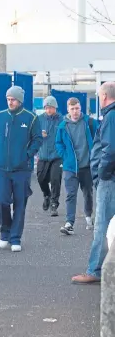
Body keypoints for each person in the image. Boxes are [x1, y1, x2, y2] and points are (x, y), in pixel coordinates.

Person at [0, 86, 42, 252]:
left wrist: (27, 154)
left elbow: (37, 139)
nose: (10, 102)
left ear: (20, 100)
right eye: (8, 99)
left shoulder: (31, 118)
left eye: (13, 99)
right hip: (2, 169)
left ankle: (15, 237)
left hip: (22, 170)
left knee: (20, 204)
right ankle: (5, 232)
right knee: (2, 201)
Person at [72, 82, 115, 283]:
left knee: (102, 225)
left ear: (104, 96)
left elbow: (110, 149)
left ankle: (95, 270)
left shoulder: (111, 116)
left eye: (99, 96)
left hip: (110, 180)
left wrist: (101, 173)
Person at [55, 97, 98, 235]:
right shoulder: (63, 126)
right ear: (68, 109)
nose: (75, 112)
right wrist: (65, 155)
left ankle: (88, 217)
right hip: (70, 167)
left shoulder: (89, 123)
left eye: (77, 108)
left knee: (88, 193)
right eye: (72, 109)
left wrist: (95, 157)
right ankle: (69, 223)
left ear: (81, 108)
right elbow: (58, 143)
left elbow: (98, 139)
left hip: (87, 166)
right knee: (70, 194)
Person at [36, 96, 63, 217]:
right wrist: (39, 134)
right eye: (46, 108)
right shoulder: (39, 119)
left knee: (55, 179)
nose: (48, 110)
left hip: (57, 155)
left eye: (51, 108)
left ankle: (54, 204)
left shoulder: (61, 120)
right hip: (43, 154)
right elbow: (32, 134)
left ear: (55, 108)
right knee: (41, 178)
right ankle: (46, 195)